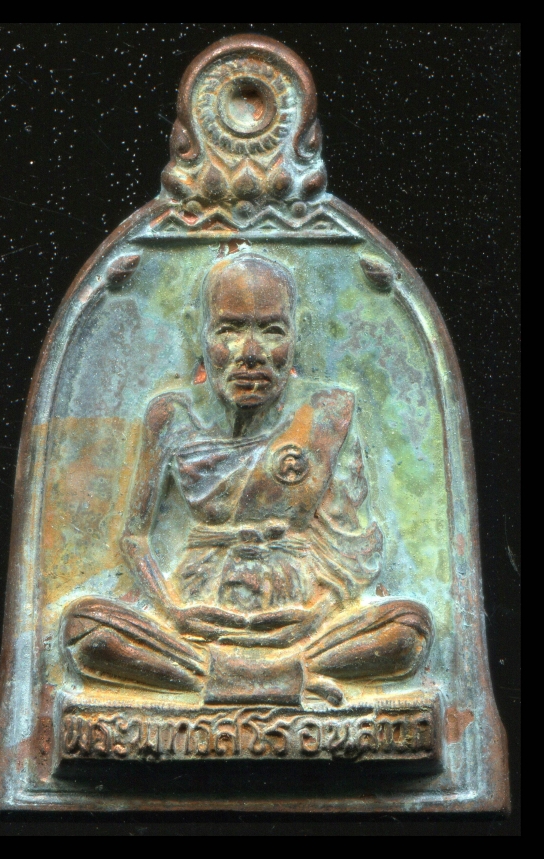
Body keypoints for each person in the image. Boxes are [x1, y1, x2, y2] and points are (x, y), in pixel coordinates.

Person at [63, 254, 432, 706]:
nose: (251, 352)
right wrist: (174, 612)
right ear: (198, 331)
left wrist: (316, 614)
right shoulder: (170, 415)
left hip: (297, 618)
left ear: (298, 333)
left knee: (408, 630)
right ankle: (279, 678)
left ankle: (219, 679)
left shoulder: (328, 415)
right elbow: (135, 537)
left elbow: (352, 548)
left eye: (272, 331)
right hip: (200, 615)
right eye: (229, 330)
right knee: (86, 630)